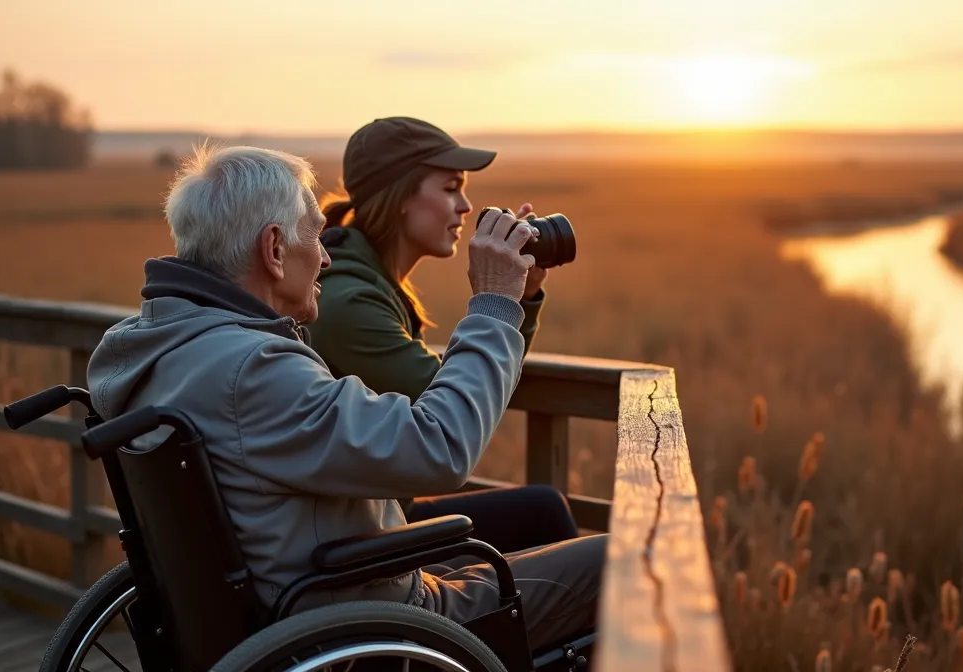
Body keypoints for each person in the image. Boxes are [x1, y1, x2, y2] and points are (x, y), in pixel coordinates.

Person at [84, 144, 604, 652]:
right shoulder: (254, 371)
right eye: (315, 234)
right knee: (620, 564)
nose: (327, 255)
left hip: (297, 608)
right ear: (274, 249)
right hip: (370, 626)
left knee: (539, 523)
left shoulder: (156, 351)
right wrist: (493, 306)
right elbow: (441, 447)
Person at [309, 117, 578, 553]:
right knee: (544, 513)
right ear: (401, 196)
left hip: (370, 514)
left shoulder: (363, 281)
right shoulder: (348, 303)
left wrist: (520, 298)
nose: (467, 205)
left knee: (543, 509)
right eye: (451, 187)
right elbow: (459, 402)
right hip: (359, 537)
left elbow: (481, 379)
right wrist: (497, 301)